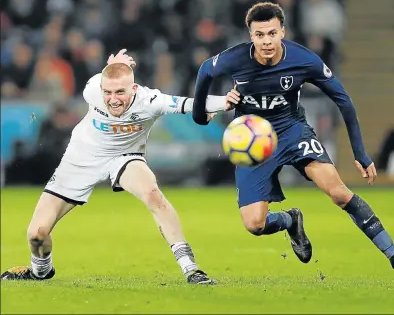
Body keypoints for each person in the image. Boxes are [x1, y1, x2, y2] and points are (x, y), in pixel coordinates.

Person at [192, 2, 394, 284]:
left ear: (282, 32)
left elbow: (343, 100)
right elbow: (205, 71)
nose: (266, 41)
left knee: (339, 193)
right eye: (260, 35)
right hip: (253, 141)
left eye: (272, 33)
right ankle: (290, 220)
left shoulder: (303, 59)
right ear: (250, 36)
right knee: (254, 224)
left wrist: (360, 153)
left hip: (292, 131)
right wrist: (199, 115)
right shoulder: (234, 59)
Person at [1, 50, 226, 284]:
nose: (113, 99)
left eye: (120, 92)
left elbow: (192, 103)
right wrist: (113, 67)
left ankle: (191, 269)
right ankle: (41, 271)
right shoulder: (91, 90)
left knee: (152, 194)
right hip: (81, 158)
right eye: (108, 92)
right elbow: (104, 83)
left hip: (124, 156)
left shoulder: (150, 101)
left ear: (134, 89)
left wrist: (226, 101)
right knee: (37, 235)